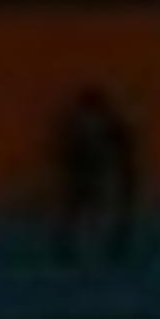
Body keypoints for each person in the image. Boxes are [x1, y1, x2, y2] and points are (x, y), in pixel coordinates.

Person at [47, 83, 141, 261]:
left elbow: (124, 157)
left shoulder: (112, 128)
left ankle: (112, 247)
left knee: (104, 212)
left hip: (104, 177)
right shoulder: (77, 130)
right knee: (81, 211)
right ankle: (72, 247)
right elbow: (66, 156)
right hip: (87, 177)